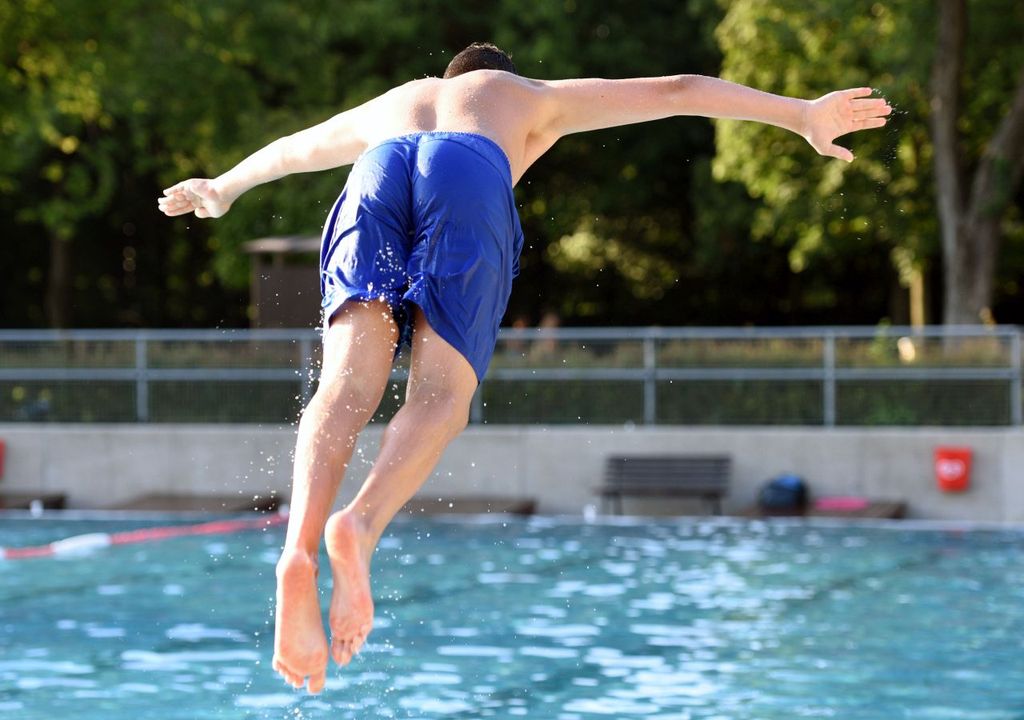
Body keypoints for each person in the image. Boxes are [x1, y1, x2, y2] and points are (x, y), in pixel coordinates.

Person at [157, 42, 891, 694]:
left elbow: (294, 150)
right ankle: (361, 527)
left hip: (374, 169)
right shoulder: (528, 99)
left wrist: (221, 188)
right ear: (504, 77)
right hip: (469, 173)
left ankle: (298, 552)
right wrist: (800, 113)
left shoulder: (393, 104)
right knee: (441, 393)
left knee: (345, 386)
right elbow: (679, 88)